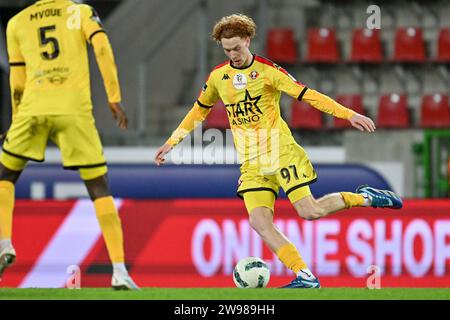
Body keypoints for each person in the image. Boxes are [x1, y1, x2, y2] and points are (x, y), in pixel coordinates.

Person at [155, 14, 403, 288]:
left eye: (237, 47)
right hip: (251, 163)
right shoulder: (218, 77)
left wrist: (348, 114)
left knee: (310, 211)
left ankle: (365, 197)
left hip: (280, 152)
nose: (233, 54)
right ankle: (304, 276)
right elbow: (198, 111)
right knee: (258, 221)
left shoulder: (269, 71)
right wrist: (173, 141)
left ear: (248, 40)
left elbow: (307, 94)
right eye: (227, 49)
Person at [0, 0, 138, 290]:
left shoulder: (18, 21)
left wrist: (16, 121)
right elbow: (101, 48)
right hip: (74, 110)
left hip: (33, 108)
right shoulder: (80, 11)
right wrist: (114, 97)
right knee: (98, 185)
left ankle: (4, 243)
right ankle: (119, 271)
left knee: (6, 175)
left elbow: (18, 79)